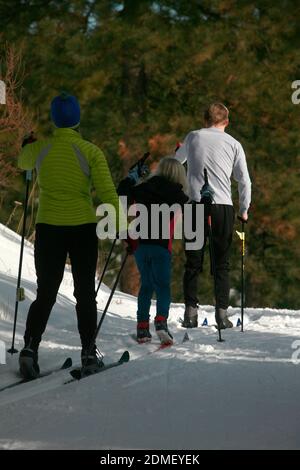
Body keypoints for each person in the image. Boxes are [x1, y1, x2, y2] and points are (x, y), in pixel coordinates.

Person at [18, 92, 125, 378]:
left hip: (48, 227)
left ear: (54, 119)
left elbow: (22, 163)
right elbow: (106, 192)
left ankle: (29, 347)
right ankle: (89, 352)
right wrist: (123, 225)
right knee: (85, 293)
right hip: (81, 228)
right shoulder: (90, 151)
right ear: (77, 118)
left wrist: (26, 144)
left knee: (46, 291)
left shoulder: (39, 148)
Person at [175, 103, 251, 329]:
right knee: (221, 263)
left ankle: (191, 313)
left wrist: (178, 150)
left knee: (193, 261)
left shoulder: (193, 137)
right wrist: (244, 209)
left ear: (204, 119)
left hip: (196, 204)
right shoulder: (234, 144)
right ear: (226, 122)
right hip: (222, 207)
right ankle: (222, 314)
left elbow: (176, 161)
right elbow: (243, 180)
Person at [118, 157, 189, 345]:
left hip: (141, 246)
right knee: (163, 286)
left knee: (147, 285)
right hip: (161, 246)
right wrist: (207, 198)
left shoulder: (143, 188)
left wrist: (131, 178)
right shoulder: (177, 193)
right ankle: (161, 322)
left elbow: (122, 194)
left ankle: (142, 327)